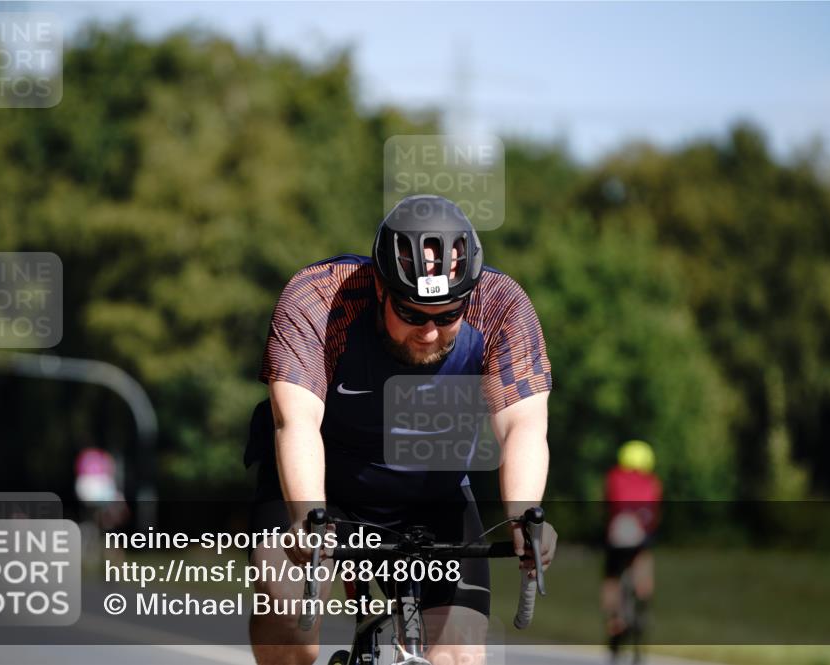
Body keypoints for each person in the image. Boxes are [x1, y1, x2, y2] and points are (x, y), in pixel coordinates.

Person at [246, 195, 556, 665]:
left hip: (432, 491)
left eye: (447, 316)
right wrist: (307, 517)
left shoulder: (502, 308)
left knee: (461, 653)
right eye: (411, 314)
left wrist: (523, 517)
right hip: (319, 483)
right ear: (379, 288)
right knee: (285, 609)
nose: (429, 332)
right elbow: (297, 421)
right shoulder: (319, 298)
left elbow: (523, 425)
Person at [600, 439, 662, 659]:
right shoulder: (652, 481)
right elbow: (654, 515)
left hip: (617, 536)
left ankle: (614, 619)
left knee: (611, 578)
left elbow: (608, 506)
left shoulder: (614, 477)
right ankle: (643, 596)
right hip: (641, 537)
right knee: (643, 559)